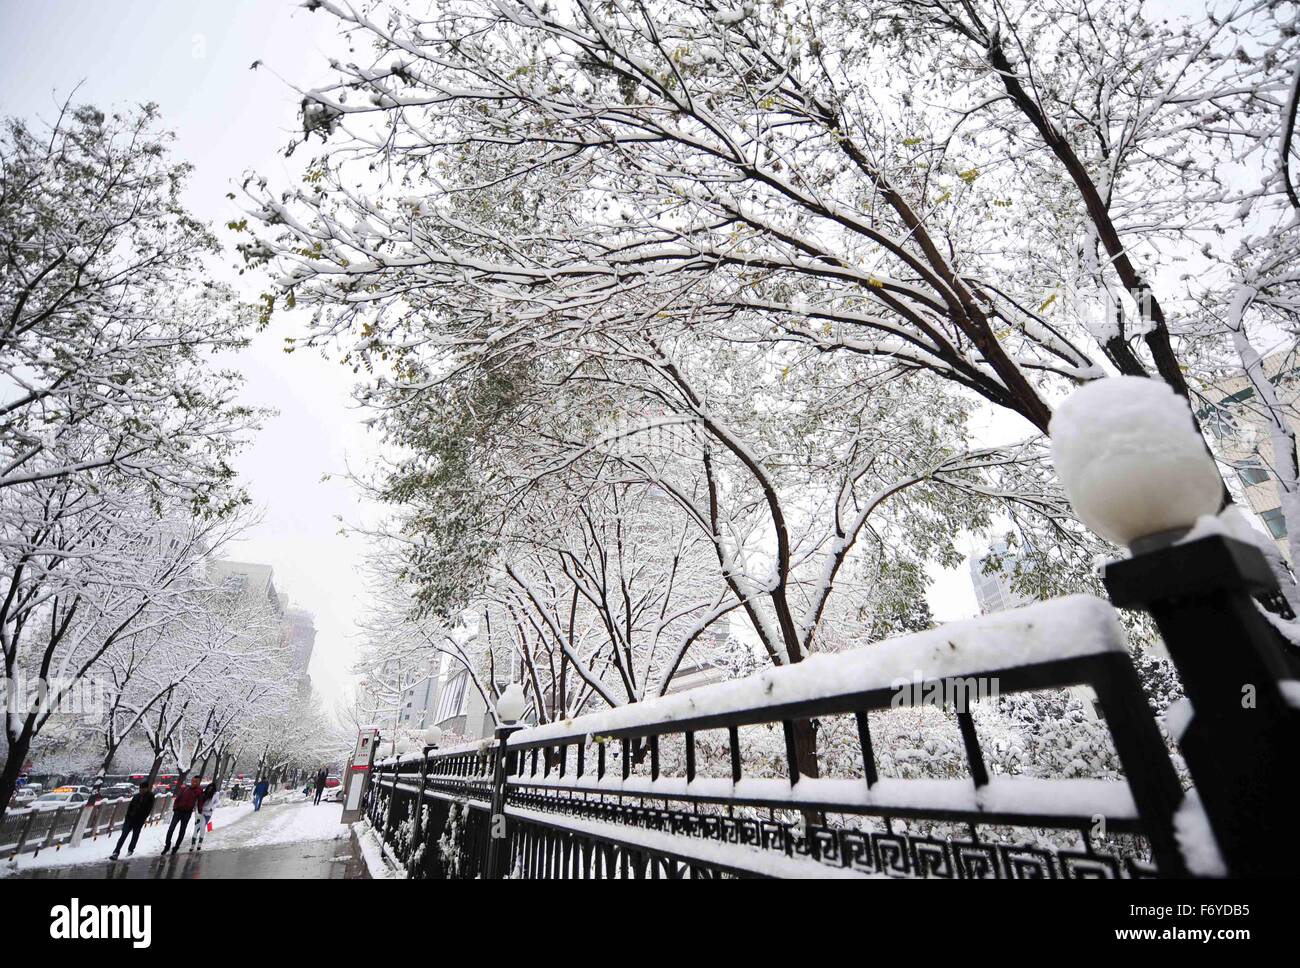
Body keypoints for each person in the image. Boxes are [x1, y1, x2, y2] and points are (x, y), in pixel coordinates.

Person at [108, 781, 155, 860]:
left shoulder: (150, 796)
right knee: (123, 835)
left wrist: (142, 818)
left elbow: (148, 809)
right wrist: (128, 816)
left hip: (139, 820)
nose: (141, 790)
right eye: (140, 788)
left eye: (142, 789)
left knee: (135, 835)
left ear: (146, 789)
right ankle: (116, 852)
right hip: (130, 819)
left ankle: (130, 850)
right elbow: (130, 807)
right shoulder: (136, 796)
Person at [162, 776, 204, 855]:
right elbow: (178, 798)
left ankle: (176, 847)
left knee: (182, 830)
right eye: (193, 781)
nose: (194, 783)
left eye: (196, 781)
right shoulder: (185, 788)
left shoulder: (199, 791)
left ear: (199, 782)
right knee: (171, 829)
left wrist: (200, 813)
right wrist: (175, 808)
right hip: (178, 811)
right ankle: (167, 846)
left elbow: (200, 802)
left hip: (187, 813)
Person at [189, 780, 219, 851]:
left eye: (212, 788)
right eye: (209, 788)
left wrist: (212, 808)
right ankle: (192, 845)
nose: (210, 789)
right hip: (200, 813)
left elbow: (217, 802)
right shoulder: (203, 794)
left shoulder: (215, 794)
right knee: (196, 828)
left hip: (208, 814)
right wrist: (197, 810)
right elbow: (197, 802)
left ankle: (199, 844)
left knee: (202, 828)